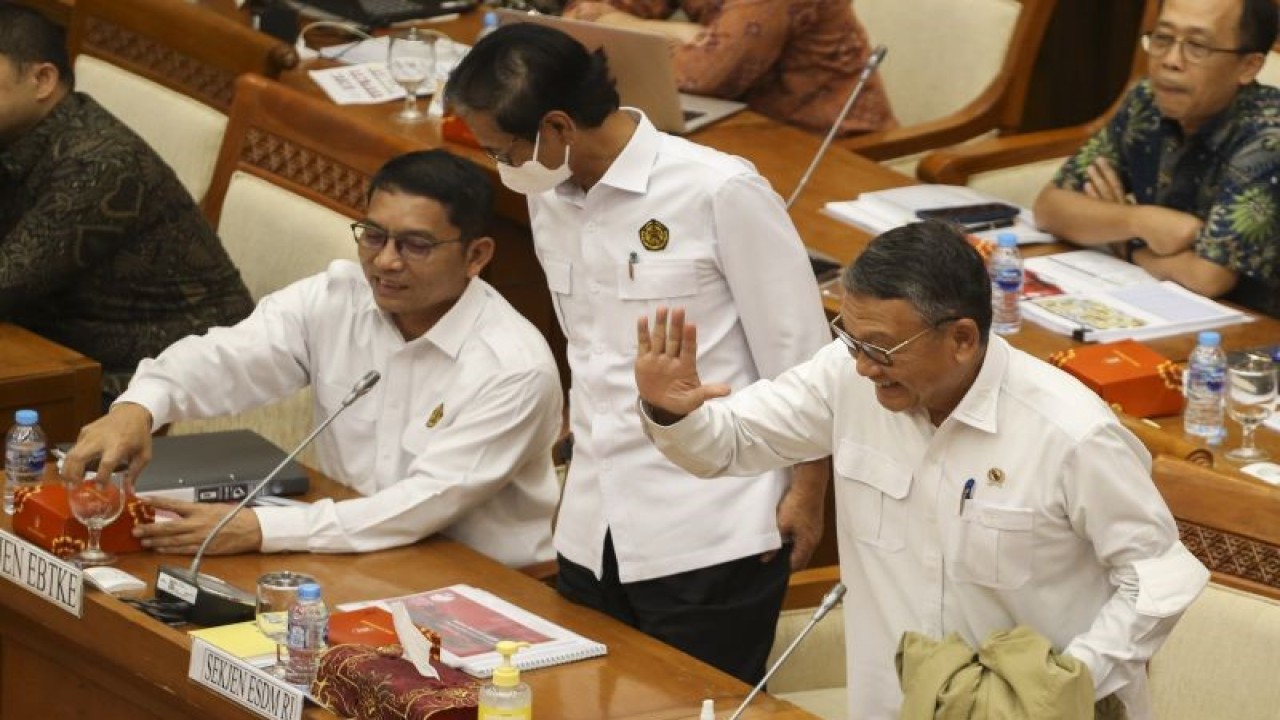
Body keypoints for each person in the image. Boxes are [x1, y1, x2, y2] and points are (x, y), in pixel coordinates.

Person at [633, 221, 1209, 719]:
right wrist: (670, 410)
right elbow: (730, 444)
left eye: (879, 349)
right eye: (851, 340)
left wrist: (1067, 679)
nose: (861, 366)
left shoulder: (1070, 433)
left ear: (962, 338)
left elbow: (1159, 578)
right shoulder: (846, 373)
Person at [443, 23, 832, 684]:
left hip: (712, 528)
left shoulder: (718, 190)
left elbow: (803, 358)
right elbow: (586, 342)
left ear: (558, 127)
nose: (501, 165)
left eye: (505, 148)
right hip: (592, 527)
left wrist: (810, 489)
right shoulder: (549, 197)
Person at [62, 149, 563, 569]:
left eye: (415, 245)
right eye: (373, 235)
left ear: (476, 256)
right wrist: (140, 406)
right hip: (335, 544)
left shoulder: (512, 368)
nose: (386, 261)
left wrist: (260, 527)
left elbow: (423, 504)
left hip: (471, 578)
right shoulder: (334, 299)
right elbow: (227, 358)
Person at [0, 4, 253, 402]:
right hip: (66, 347)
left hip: (166, 378)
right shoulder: (19, 133)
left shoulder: (100, 165)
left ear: (42, 79)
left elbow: (7, 282)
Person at [1033, 0, 1280, 317]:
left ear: (1249, 66)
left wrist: (1126, 244)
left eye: (1197, 46)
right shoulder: (1146, 101)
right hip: (1169, 309)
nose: (1171, 61)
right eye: (1162, 38)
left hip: (1256, 336)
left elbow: (1207, 278)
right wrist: (1139, 221)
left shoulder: (1268, 138)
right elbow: (1051, 207)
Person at [561, 0, 896, 137]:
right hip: (737, 125)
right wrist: (665, 30)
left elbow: (702, 76)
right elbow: (577, 18)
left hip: (823, 143)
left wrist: (623, 28)